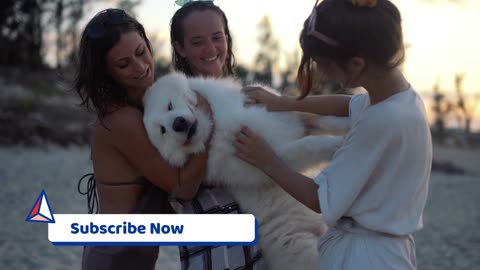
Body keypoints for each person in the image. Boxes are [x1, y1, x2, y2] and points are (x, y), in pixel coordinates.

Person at [233, 0, 432, 269]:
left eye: (323, 64)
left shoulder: (383, 121)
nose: (321, 71)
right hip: (386, 251)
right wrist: (285, 103)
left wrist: (266, 159)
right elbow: (346, 105)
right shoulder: (401, 100)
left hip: (364, 257)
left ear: (356, 63)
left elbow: (319, 198)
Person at [74, 8, 214, 270]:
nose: (140, 68)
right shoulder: (121, 120)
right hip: (114, 259)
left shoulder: (151, 105)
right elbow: (182, 187)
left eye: (141, 52)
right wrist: (208, 124)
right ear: (107, 72)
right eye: (123, 64)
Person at [169, 2, 264, 270]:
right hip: (213, 249)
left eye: (216, 37)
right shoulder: (177, 106)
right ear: (180, 48)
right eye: (197, 41)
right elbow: (179, 185)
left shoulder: (248, 96)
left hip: (261, 240)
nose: (210, 49)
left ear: (227, 38)